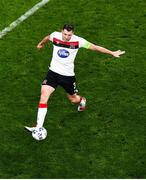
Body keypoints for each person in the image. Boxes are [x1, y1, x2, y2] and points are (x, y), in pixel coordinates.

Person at [25, 24, 125, 132]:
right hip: (53, 73)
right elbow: (47, 37)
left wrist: (111, 52)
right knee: (44, 96)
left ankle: (82, 100)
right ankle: (39, 127)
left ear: (73, 33)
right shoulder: (55, 35)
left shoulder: (79, 41)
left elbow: (95, 47)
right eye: (65, 34)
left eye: (69, 35)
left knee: (73, 99)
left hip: (67, 76)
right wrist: (41, 44)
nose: (66, 37)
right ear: (61, 31)